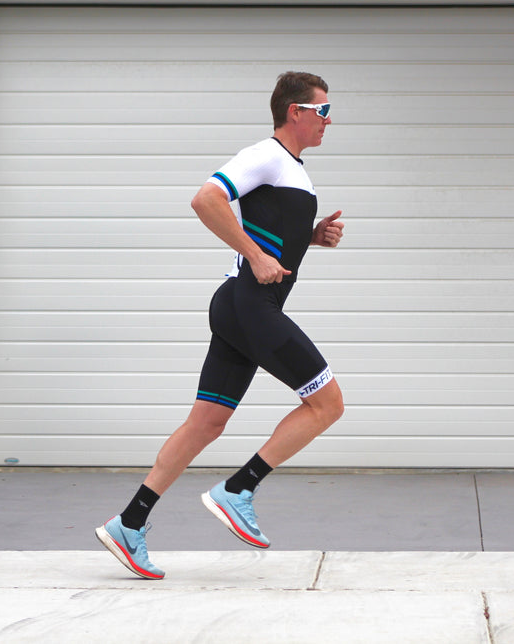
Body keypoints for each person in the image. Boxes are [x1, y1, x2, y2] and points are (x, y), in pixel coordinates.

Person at [95, 71, 345, 579]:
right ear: (295, 111)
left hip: (241, 308)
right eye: (322, 110)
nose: (328, 120)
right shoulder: (266, 154)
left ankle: (130, 522)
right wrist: (253, 254)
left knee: (207, 422)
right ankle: (239, 488)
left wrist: (311, 236)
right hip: (251, 306)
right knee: (327, 403)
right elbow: (206, 199)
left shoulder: (292, 168)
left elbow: (271, 229)